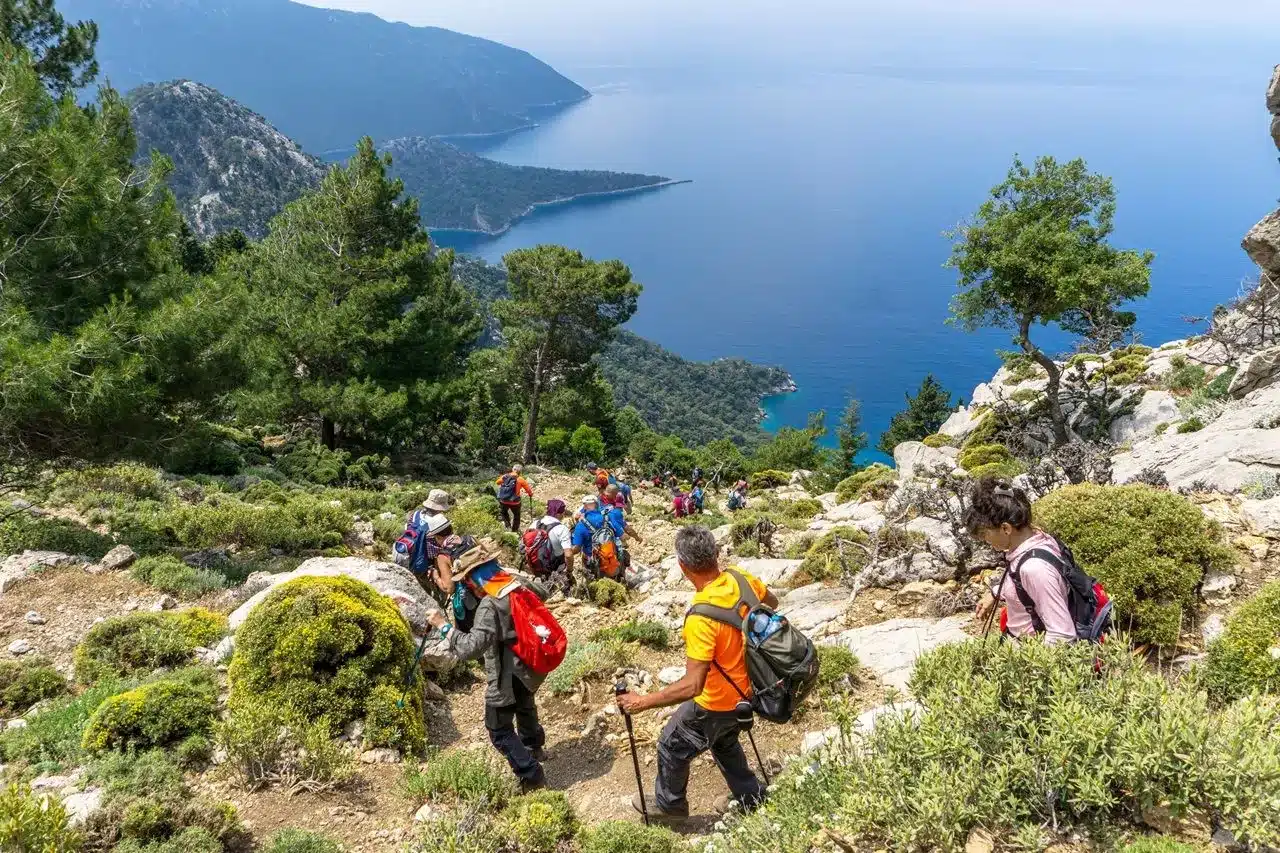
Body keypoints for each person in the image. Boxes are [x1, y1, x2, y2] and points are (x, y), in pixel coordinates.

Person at [617, 525, 770, 819]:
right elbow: (770, 607)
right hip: (750, 690)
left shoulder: (701, 616)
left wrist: (643, 701)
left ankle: (670, 807)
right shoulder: (742, 579)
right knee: (724, 743)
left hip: (717, 702)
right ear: (716, 553)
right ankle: (753, 800)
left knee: (671, 745)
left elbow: (693, 686)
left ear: (683, 566)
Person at [428, 540, 548, 792]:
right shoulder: (515, 584)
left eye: (467, 579)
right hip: (531, 661)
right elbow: (543, 593)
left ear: (475, 578)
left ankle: (531, 774)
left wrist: (443, 626)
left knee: (498, 728)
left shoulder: (489, 605)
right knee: (525, 703)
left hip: (506, 670)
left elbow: (470, 648)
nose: (466, 585)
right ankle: (534, 747)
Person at [965, 479, 1077, 644]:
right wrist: (996, 592)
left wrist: (1029, 666)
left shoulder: (1034, 568)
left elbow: (1062, 635)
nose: (985, 540)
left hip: (1029, 655)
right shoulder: (1037, 539)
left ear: (1006, 528)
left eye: (985, 534)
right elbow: (1020, 582)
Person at [571, 495, 642, 582]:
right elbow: (623, 537)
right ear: (598, 504)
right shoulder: (608, 518)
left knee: (585, 560)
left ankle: (592, 582)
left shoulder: (580, 525)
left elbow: (577, 548)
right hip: (610, 558)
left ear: (584, 507)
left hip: (593, 562)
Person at [527, 498, 576, 592]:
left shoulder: (535, 523)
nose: (563, 514)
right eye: (562, 512)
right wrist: (569, 571)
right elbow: (568, 555)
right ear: (559, 513)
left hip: (535, 564)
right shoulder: (561, 529)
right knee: (566, 589)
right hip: (555, 566)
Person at [495, 464, 534, 532]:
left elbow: (497, 482)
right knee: (517, 515)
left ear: (513, 469)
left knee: (503, 513)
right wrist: (530, 494)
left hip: (503, 500)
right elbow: (528, 490)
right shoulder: (520, 479)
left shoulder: (505, 476)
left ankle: (508, 526)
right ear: (520, 471)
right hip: (515, 502)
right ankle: (515, 530)